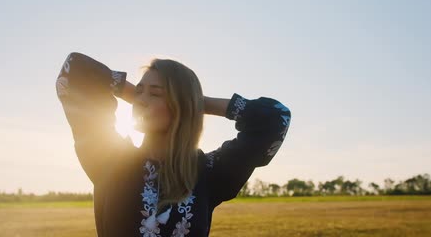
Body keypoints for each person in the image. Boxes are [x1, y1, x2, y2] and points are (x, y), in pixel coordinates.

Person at [55, 52, 291, 237]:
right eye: (139, 91)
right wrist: (130, 91)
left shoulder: (207, 173)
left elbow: (275, 118)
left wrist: (198, 104)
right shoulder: (111, 160)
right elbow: (74, 71)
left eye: (155, 94)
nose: (141, 101)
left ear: (180, 105)